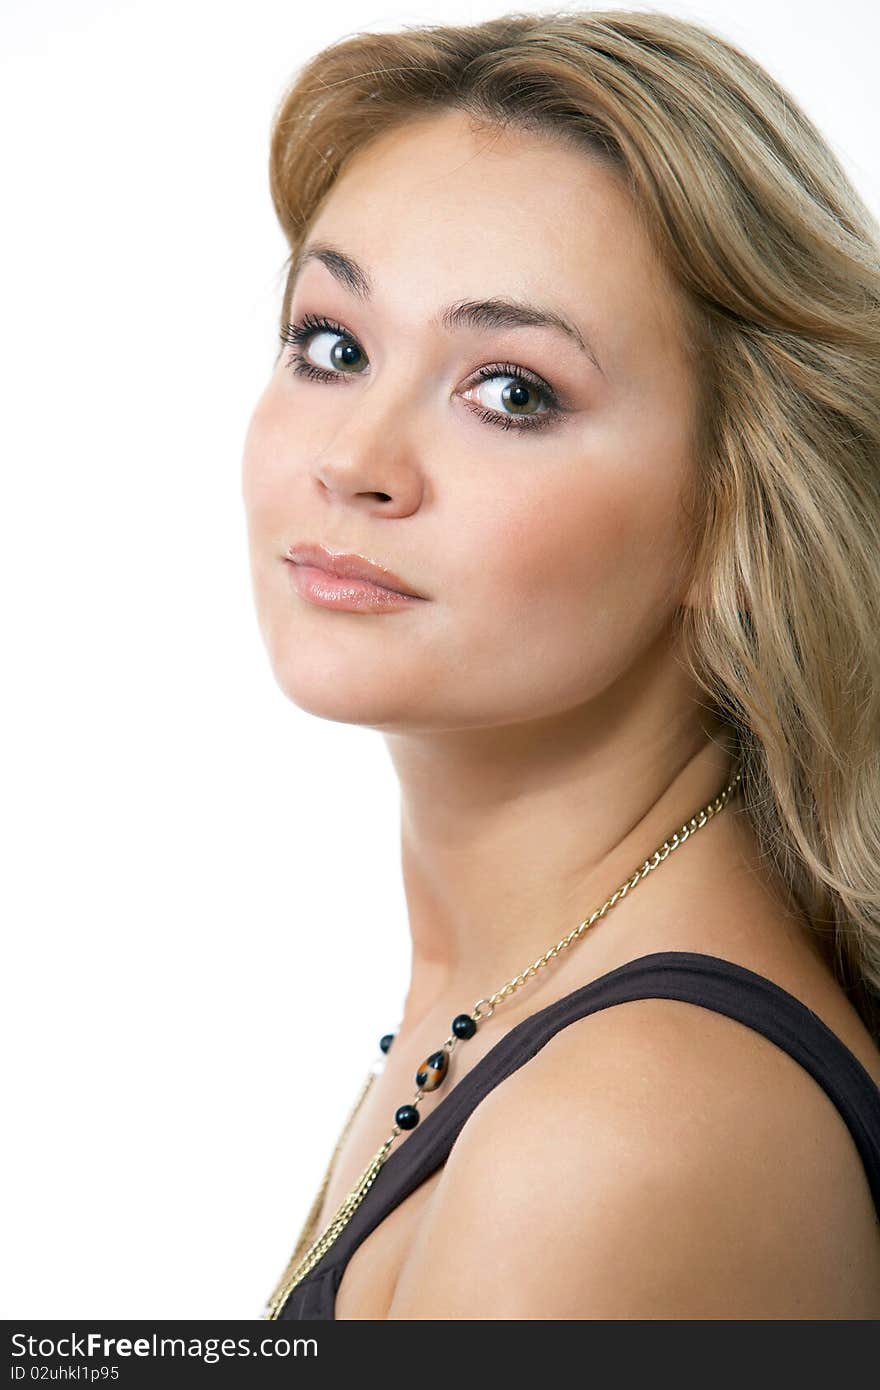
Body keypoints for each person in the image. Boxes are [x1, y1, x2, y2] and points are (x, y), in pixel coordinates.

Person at [241, 9, 880, 1318]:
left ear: (734, 507)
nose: (354, 457)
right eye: (333, 343)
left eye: (512, 391)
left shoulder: (624, 1128)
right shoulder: (510, 1007)